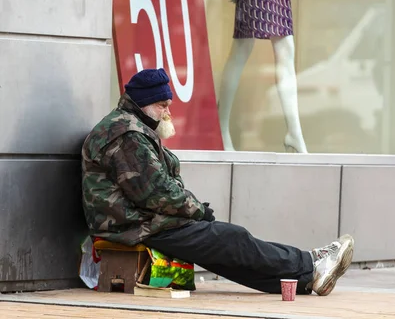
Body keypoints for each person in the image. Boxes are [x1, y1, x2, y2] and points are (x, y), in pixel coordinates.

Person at [81, 68, 354, 296]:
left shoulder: (133, 128)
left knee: (225, 247)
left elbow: (157, 188)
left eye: (168, 106)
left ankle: (305, 278)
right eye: (162, 106)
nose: (167, 113)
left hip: (143, 221)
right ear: (143, 104)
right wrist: (197, 210)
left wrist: (195, 211)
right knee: (229, 239)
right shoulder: (127, 134)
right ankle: (311, 262)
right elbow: (156, 192)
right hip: (131, 225)